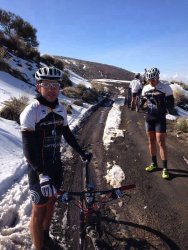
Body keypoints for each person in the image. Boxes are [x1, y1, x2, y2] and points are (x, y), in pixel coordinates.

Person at [20, 66, 91, 250]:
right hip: (38, 171)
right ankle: (38, 247)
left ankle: (45, 236)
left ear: (60, 87)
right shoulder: (31, 111)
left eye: (55, 85)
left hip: (56, 167)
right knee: (39, 209)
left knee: (51, 202)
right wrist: (41, 173)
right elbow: (28, 148)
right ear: (38, 87)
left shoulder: (61, 109)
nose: (51, 89)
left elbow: (67, 134)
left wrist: (81, 151)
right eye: (47, 84)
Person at [141, 67, 175, 180]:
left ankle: (165, 168)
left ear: (158, 77)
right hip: (149, 118)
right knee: (151, 141)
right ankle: (154, 163)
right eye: (149, 80)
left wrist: (166, 104)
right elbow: (143, 101)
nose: (152, 82)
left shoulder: (166, 88)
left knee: (161, 141)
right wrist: (141, 104)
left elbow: (171, 105)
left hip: (160, 118)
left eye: (153, 80)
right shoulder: (145, 88)